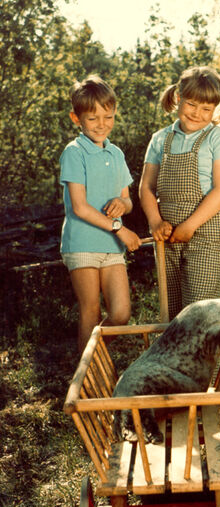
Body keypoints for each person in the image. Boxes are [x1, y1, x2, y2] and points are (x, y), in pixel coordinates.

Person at [139, 66, 220, 320]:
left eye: (206, 109)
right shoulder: (161, 139)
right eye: (191, 104)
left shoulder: (219, 139)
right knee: (171, 310)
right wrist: (155, 221)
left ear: (216, 108)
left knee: (199, 309)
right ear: (178, 98)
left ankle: (202, 358)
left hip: (206, 231)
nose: (197, 113)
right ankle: (173, 359)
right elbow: (146, 187)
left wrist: (190, 225)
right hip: (167, 234)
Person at [60, 75, 142, 354]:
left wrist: (122, 202)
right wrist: (120, 228)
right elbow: (80, 207)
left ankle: (92, 357)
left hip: (111, 247)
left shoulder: (116, 153)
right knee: (91, 311)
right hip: (82, 243)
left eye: (108, 117)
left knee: (120, 314)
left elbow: (129, 201)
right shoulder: (74, 152)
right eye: (93, 118)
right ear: (76, 118)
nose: (101, 124)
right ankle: (84, 382)